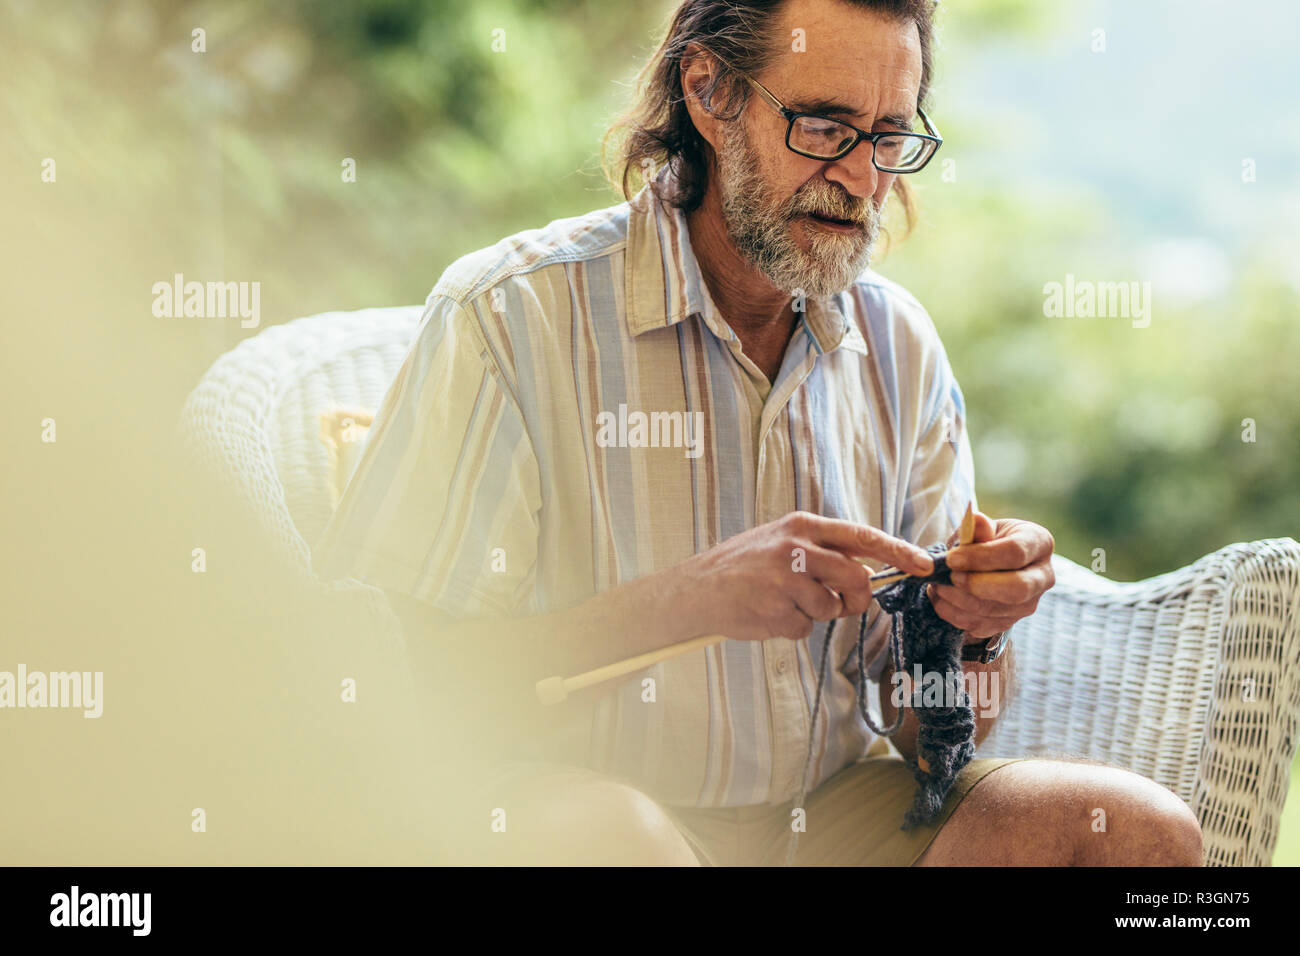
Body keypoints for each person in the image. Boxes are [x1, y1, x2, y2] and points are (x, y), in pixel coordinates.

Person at [315, 0, 1203, 865]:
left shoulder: (900, 347)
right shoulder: (510, 317)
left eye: (890, 138)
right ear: (709, 93)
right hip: (587, 806)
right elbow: (391, 688)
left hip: (836, 816)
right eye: (824, 125)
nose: (862, 179)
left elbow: (925, 734)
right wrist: (686, 600)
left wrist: (973, 633)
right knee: (610, 838)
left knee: (1141, 831)